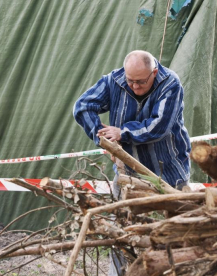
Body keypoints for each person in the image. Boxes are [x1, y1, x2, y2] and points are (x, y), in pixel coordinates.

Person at [73, 50, 191, 275]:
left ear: (154, 73)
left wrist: (122, 133)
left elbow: (159, 126)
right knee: (122, 230)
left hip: (168, 170)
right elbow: (82, 106)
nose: (134, 86)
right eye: (131, 81)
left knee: (174, 231)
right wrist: (104, 138)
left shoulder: (170, 84)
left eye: (140, 82)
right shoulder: (113, 81)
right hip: (127, 173)